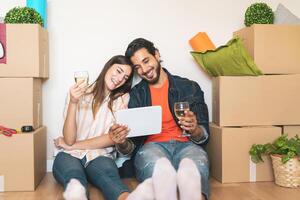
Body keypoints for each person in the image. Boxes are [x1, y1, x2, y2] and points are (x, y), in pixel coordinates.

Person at [111, 38, 210, 200]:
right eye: (138, 67)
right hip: (152, 147)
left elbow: (204, 135)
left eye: (146, 61)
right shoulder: (136, 94)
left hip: (187, 145)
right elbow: (131, 145)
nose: (144, 69)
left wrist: (195, 129)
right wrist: (121, 142)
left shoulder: (189, 87)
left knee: (194, 166)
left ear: (156, 55)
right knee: (157, 169)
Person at [52, 55, 134, 200]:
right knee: (74, 180)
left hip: (101, 155)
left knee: (110, 178)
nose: (120, 79)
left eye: (126, 77)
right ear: (108, 67)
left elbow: (111, 138)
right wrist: (73, 102)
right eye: (118, 71)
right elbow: (69, 139)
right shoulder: (78, 93)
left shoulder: (121, 99)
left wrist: (72, 145)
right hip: (70, 155)